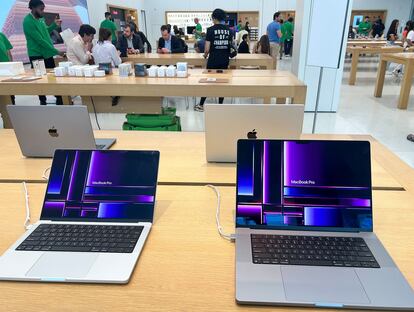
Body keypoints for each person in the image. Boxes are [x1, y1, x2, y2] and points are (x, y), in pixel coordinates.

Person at [23, 0, 63, 105]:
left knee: (52, 76)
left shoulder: (41, 19)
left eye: (43, 9)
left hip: (47, 53)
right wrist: (56, 51)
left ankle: (59, 98)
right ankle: (43, 101)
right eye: (41, 9)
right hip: (36, 54)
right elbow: (39, 40)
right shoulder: (27, 22)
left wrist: (54, 25)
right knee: (39, 78)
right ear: (33, 8)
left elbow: (46, 31)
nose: (43, 11)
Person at [195, 8, 232, 112]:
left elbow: (207, 49)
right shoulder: (229, 30)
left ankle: (201, 105)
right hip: (224, 60)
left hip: (213, 61)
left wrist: (205, 55)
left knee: (209, 82)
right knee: (222, 83)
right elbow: (230, 45)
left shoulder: (210, 30)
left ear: (214, 18)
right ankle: (220, 105)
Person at [0, 32, 15, 104]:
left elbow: (8, 52)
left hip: (6, 68)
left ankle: (12, 108)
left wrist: (12, 66)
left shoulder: (1, 35)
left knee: (10, 92)